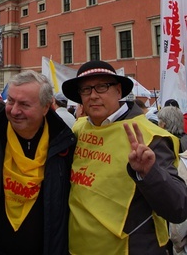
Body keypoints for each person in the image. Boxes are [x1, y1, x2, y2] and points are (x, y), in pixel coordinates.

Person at [62, 59, 187, 255]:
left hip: (130, 248)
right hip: (77, 248)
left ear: (119, 91)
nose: (93, 95)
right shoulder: (77, 130)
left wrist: (149, 172)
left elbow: (178, 207)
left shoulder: (151, 136)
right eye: (85, 90)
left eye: (102, 87)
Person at [0, 70, 76, 255]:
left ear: (45, 107)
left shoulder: (65, 144)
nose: (14, 110)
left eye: (24, 104)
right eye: (10, 101)